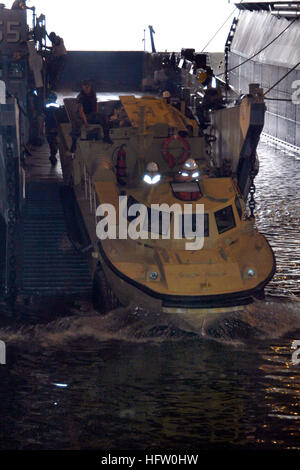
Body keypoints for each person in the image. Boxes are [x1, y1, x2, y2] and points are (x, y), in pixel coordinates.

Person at [71, 80, 112, 151]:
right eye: (85, 87)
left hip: (91, 114)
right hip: (83, 116)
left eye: (88, 87)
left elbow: (95, 104)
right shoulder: (81, 97)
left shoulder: (93, 94)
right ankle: (74, 144)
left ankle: (106, 137)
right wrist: (86, 122)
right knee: (76, 125)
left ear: (90, 87)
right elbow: (81, 111)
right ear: (83, 87)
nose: (87, 88)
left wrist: (96, 114)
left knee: (103, 117)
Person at [44, 92, 59, 165]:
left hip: (49, 126)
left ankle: (53, 155)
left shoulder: (47, 106)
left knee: (51, 142)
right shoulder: (58, 106)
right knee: (54, 142)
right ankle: (53, 155)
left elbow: (44, 115)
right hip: (55, 127)